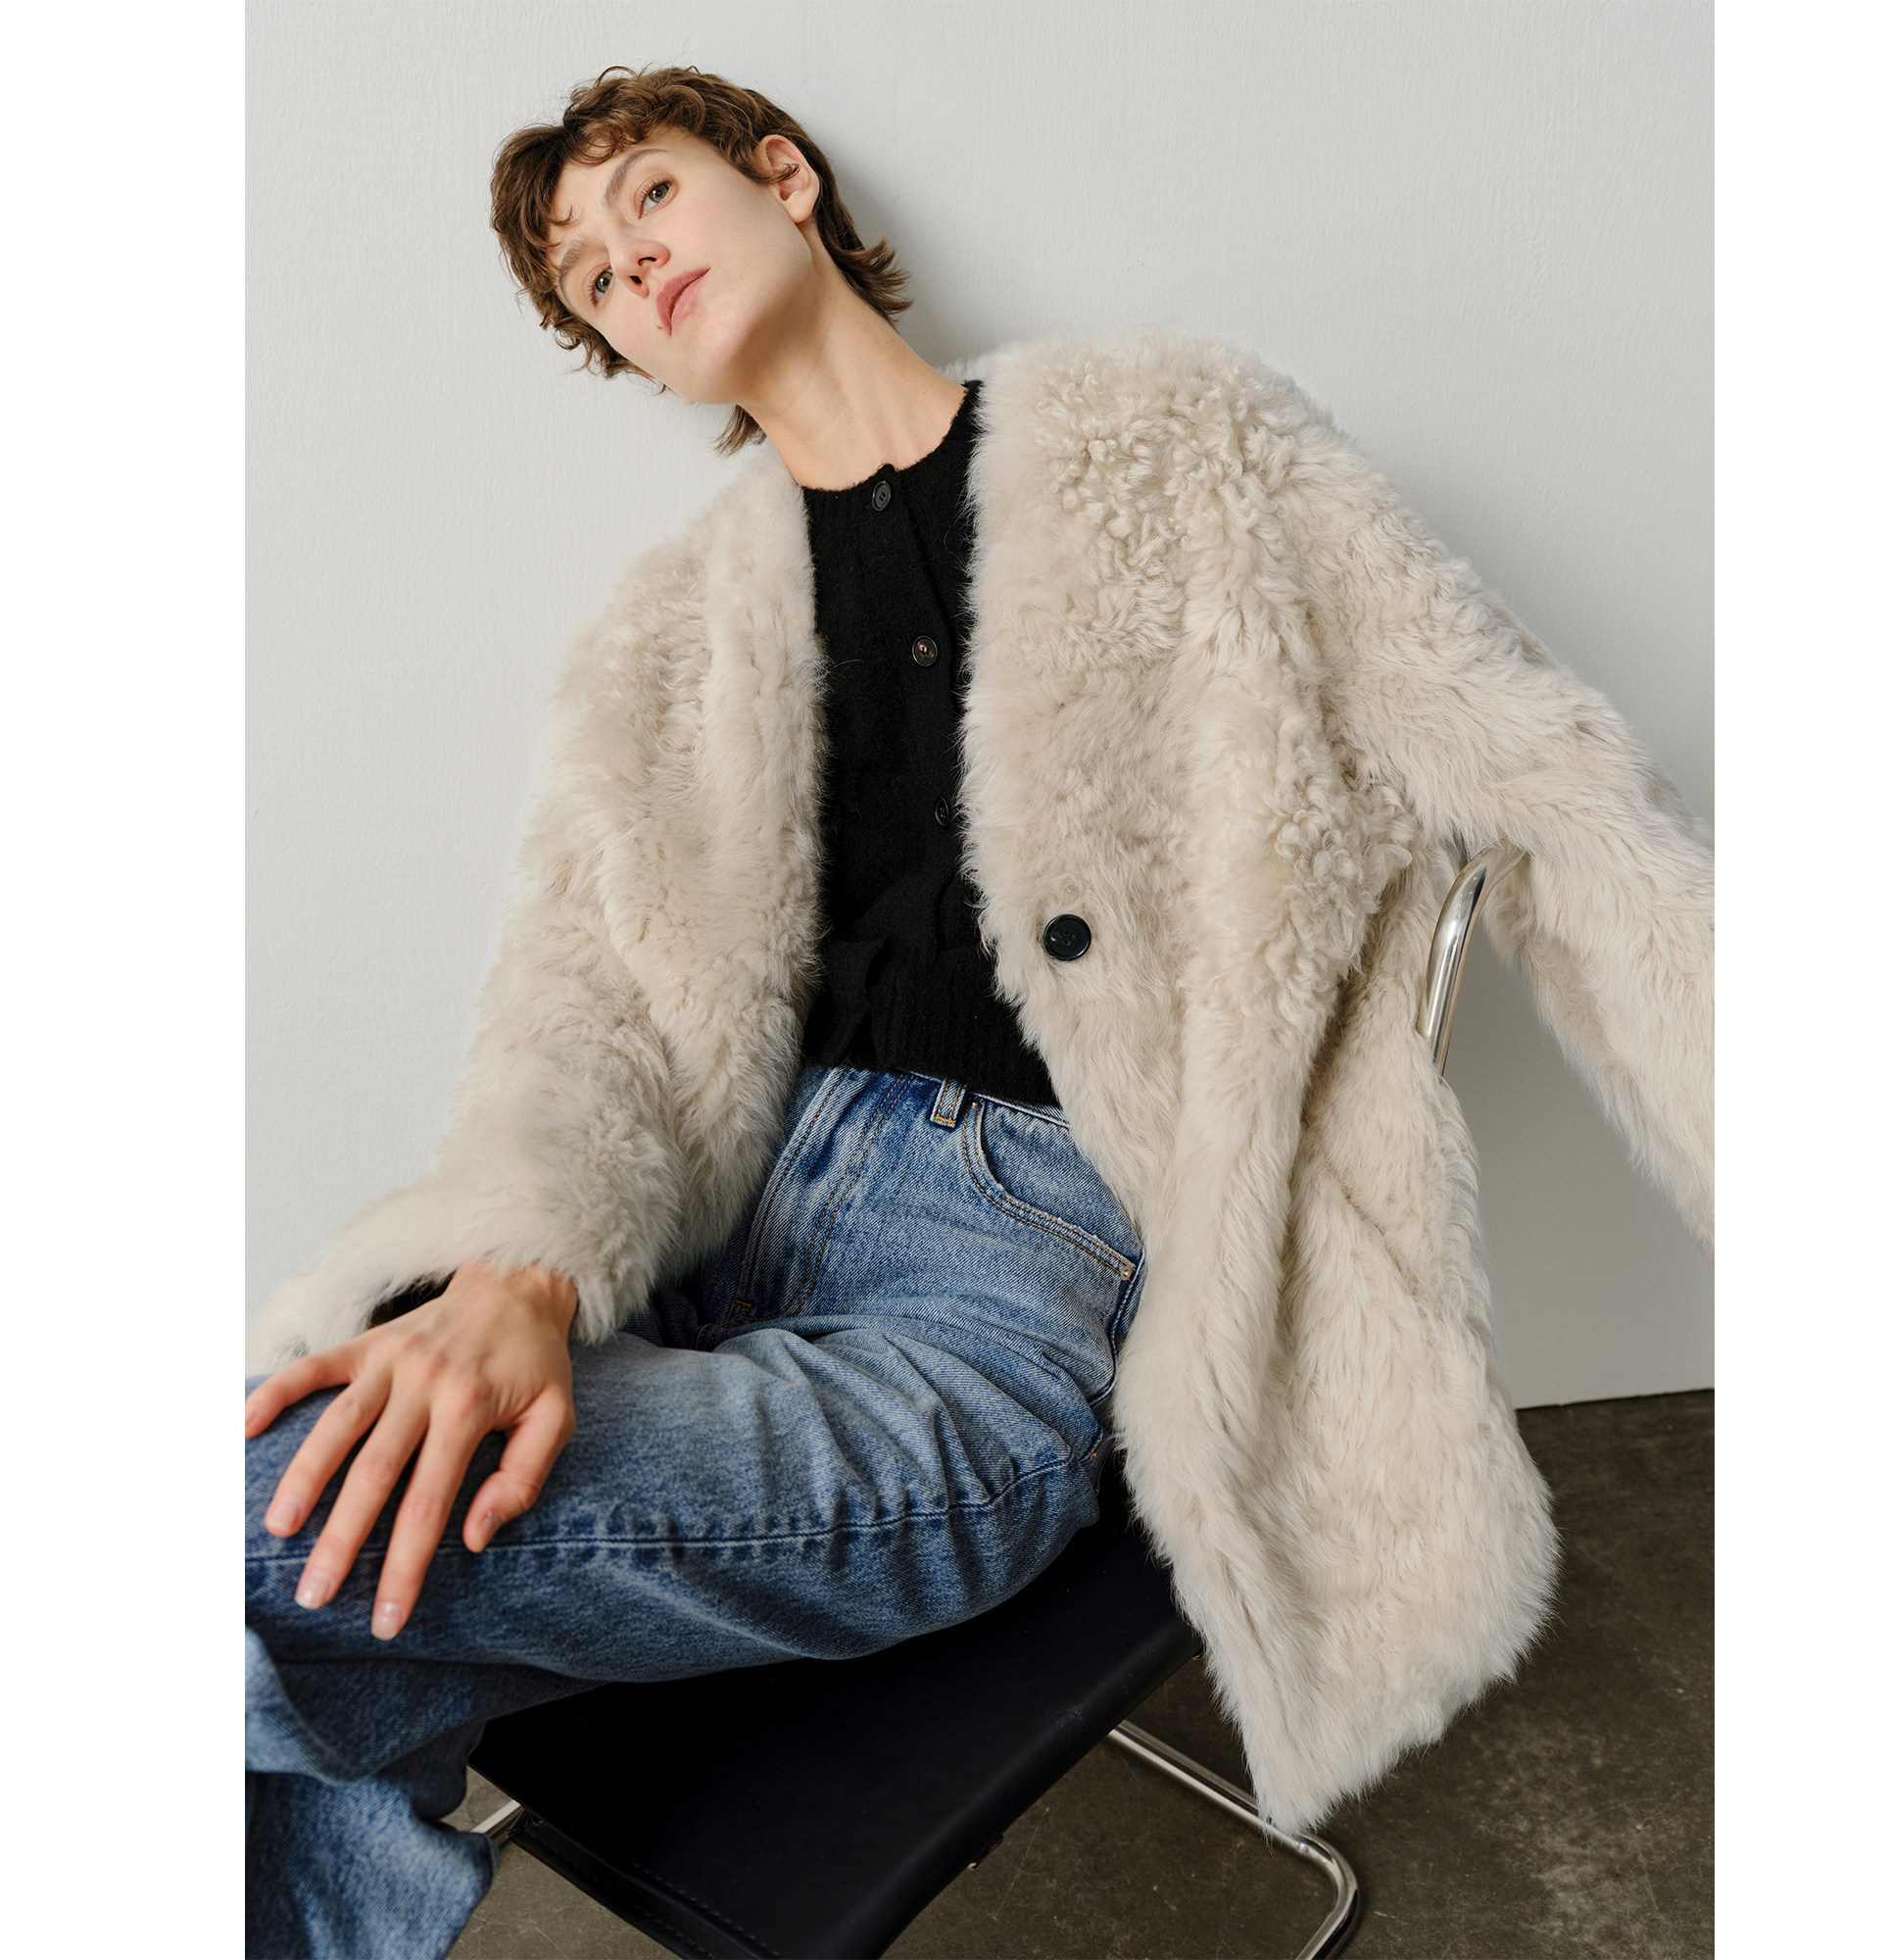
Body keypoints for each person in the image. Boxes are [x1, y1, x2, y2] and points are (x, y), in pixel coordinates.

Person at [245, 63, 1713, 1960]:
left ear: (782, 177)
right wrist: (520, 1271)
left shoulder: (1180, 441)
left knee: (257, 1533)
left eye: (649, 199)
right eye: (591, 279)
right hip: (701, 1244)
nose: (629, 265)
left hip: (1004, 1280)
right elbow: (574, 1019)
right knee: (287, 1503)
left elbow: (1546, 786)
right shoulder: (661, 642)